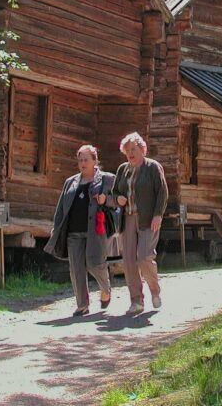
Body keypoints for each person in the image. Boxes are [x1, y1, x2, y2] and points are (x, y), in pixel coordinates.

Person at [44, 145, 115, 316]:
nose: (83, 163)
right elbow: (61, 208)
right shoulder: (71, 182)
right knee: (76, 268)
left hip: (96, 230)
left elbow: (117, 201)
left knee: (95, 264)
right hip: (73, 232)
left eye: (86, 160)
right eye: (80, 160)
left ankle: (106, 289)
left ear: (95, 160)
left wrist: (106, 199)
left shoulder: (107, 179)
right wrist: (57, 227)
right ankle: (82, 304)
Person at [104, 132, 168, 316]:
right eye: (127, 150)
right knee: (129, 261)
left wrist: (158, 214)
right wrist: (119, 199)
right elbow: (114, 194)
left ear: (142, 149)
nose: (130, 153)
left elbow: (162, 193)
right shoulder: (123, 169)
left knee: (144, 256)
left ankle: (154, 289)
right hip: (128, 218)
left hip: (148, 218)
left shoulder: (153, 167)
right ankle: (136, 300)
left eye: (133, 149)